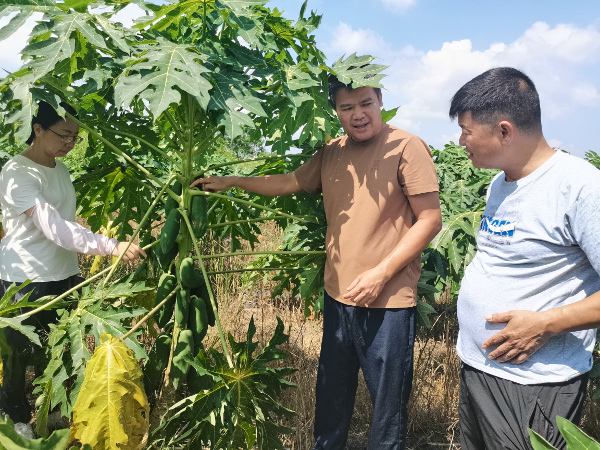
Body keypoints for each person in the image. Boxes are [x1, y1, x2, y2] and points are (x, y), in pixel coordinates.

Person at [191, 74, 442, 449]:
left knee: (388, 410)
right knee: (331, 398)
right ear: (336, 112)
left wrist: (382, 273)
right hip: (338, 295)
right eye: (347, 107)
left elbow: (430, 219)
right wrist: (232, 181)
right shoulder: (332, 151)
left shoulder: (406, 147)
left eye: (366, 104)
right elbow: (291, 181)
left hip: (387, 301)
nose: (358, 114)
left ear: (380, 100)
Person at [450, 67, 600, 450]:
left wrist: (547, 324)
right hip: (480, 369)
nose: (461, 141)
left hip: (535, 384)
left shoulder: (580, 188)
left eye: (467, 130)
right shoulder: (501, 182)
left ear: (504, 130)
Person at [0, 101, 146, 431]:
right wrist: (110, 246)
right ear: (38, 129)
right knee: (16, 359)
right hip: (22, 280)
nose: (70, 143)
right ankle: (14, 421)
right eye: (65, 134)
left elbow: (65, 223)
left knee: (55, 357)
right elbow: (55, 226)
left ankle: (50, 413)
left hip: (63, 275)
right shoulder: (15, 172)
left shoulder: (60, 168)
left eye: (75, 137)